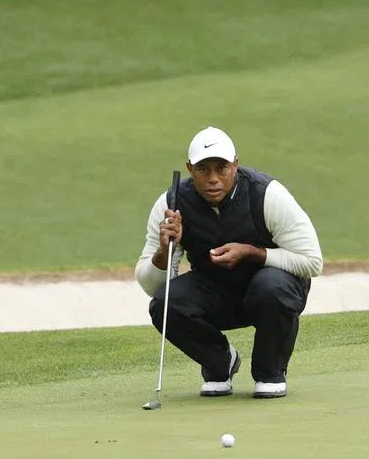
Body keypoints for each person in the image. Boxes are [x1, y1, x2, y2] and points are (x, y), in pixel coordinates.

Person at [135, 127, 323, 400]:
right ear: (189, 168)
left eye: (221, 168)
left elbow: (312, 262)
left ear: (236, 165)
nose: (213, 178)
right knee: (164, 303)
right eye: (203, 169)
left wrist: (251, 252)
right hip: (216, 294)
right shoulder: (172, 204)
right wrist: (164, 251)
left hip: (270, 293)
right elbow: (151, 287)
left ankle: (270, 372)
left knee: (271, 286)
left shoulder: (266, 194)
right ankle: (220, 362)